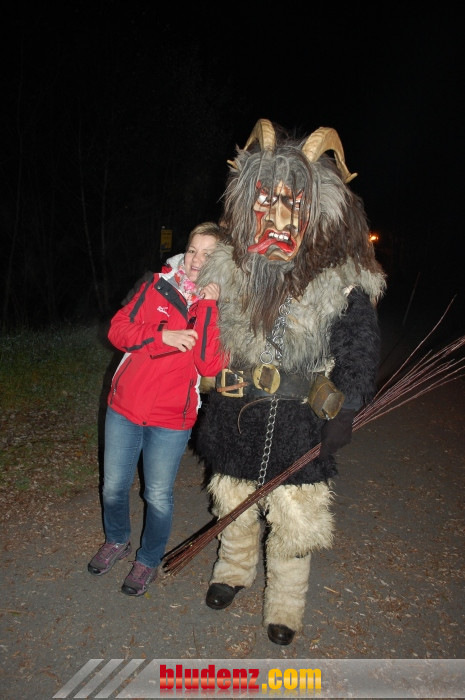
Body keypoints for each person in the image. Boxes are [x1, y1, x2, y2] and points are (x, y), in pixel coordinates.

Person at [194, 120, 386, 644]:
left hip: (299, 420)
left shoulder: (339, 279)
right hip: (237, 413)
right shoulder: (227, 267)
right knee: (232, 499)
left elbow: (358, 345)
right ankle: (232, 572)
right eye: (266, 202)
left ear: (317, 213)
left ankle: (285, 604)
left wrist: (347, 408)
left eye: (294, 206)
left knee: (295, 515)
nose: (278, 220)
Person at [88, 222, 225, 596]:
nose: (196, 260)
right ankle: (117, 540)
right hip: (124, 406)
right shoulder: (154, 284)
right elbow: (117, 330)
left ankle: (147, 560)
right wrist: (161, 336)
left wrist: (209, 306)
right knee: (113, 487)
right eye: (193, 250)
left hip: (171, 418)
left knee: (158, 496)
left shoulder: (227, 307)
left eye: (208, 254)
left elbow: (209, 364)